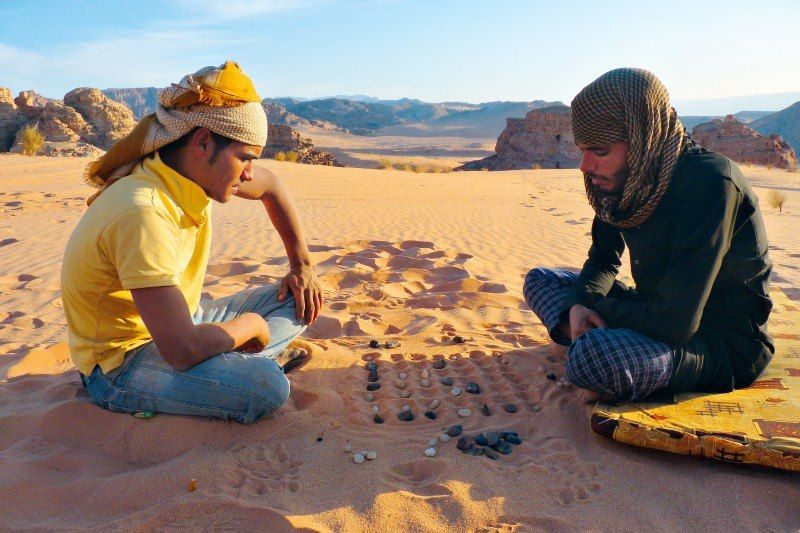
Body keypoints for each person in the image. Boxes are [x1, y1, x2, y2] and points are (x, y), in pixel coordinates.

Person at [61, 61, 324, 423]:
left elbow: (272, 187)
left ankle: (229, 363)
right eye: (244, 159)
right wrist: (252, 327)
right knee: (267, 388)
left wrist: (302, 267)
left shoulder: (191, 171)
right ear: (202, 142)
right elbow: (182, 350)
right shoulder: (144, 211)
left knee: (300, 299)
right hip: (121, 364)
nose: (249, 174)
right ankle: (244, 362)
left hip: (182, 320)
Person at [523, 68, 773, 402]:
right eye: (582, 149)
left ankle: (598, 346)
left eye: (599, 151)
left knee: (594, 357)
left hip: (716, 343)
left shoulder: (710, 183)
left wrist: (596, 309)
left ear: (642, 139)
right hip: (652, 312)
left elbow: (676, 323)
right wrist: (582, 305)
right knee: (541, 280)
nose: (584, 166)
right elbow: (602, 258)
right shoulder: (627, 180)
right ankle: (600, 341)